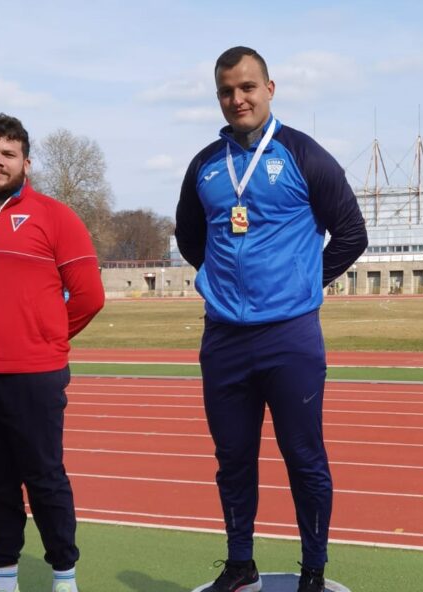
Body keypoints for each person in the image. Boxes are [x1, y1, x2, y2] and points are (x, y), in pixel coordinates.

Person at [175, 46, 368, 592]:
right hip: (224, 338)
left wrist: (302, 281)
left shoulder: (305, 155)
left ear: (270, 89)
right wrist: (227, 285)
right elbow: (190, 239)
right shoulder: (205, 165)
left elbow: (352, 234)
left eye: (247, 87)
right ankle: (240, 564)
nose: (237, 99)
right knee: (232, 459)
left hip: (289, 337)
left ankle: (314, 570)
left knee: (304, 458)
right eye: (226, 91)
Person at [0, 114, 105, 592]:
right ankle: (3, 576)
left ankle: (64, 576)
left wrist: (43, 338)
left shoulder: (56, 217)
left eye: (8, 153)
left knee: (44, 478)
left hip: (33, 375)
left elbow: (89, 296)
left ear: (26, 162)